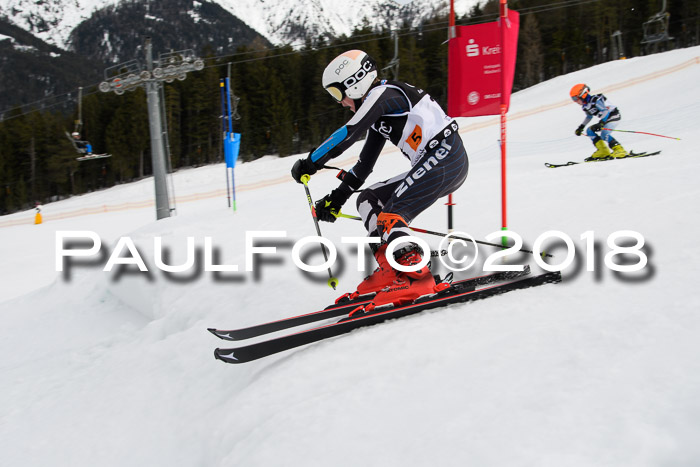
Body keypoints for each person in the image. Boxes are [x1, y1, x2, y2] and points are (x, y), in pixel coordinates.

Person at [291, 50, 469, 303]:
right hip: (436, 161)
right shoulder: (379, 109)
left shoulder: (383, 95)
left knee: (391, 217)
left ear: (355, 83)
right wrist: (338, 197)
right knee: (368, 200)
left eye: (337, 93)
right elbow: (364, 164)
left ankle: (417, 277)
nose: (339, 102)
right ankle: (393, 270)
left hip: (446, 156)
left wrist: (312, 162)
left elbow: (349, 132)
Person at [570, 84, 627, 160]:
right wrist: (581, 127)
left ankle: (619, 150)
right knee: (589, 130)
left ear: (582, 94)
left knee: (604, 134)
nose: (575, 101)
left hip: (613, 115)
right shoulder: (585, 106)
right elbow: (589, 116)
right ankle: (603, 151)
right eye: (573, 99)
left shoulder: (595, 100)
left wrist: (602, 123)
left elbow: (605, 111)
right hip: (605, 119)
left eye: (575, 98)